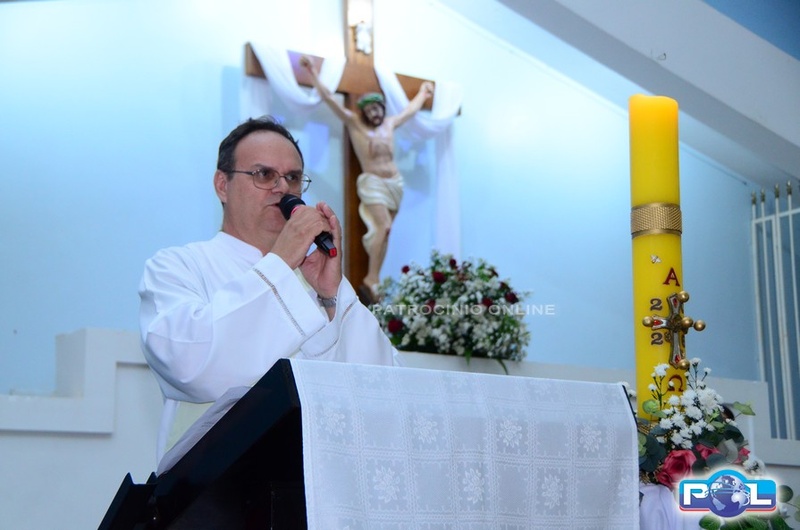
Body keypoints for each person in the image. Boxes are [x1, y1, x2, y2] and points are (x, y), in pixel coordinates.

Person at [139, 116, 399, 464]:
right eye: (264, 174)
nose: (282, 188)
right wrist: (280, 261)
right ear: (222, 185)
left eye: (293, 177)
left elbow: (384, 385)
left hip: (320, 477)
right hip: (217, 481)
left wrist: (331, 298)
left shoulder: (316, 276)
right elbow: (187, 364)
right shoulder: (177, 266)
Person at [300, 56, 434, 304]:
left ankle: (375, 277)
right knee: (383, 226)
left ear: (383, 109)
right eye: (370, 109)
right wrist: (312, 74)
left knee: (386, 233)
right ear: (363, 112)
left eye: (378, 108)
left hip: (395, 184)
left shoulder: (390, 125)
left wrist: (424, 94)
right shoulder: (355, 124)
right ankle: (372, 278)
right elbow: (329, 99)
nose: (375, 112)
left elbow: (410, 111)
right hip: (373, 183)